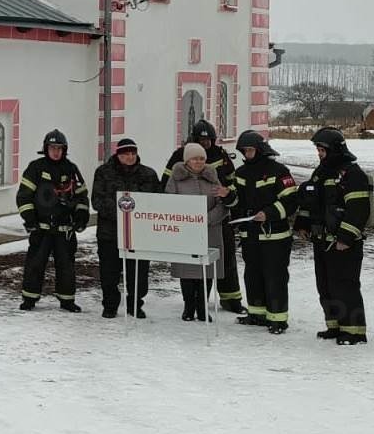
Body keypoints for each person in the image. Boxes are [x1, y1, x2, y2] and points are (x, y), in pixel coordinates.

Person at [293, 127, 372, 345]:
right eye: (318, 150)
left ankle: (354, 331)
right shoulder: (320, 173)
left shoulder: (352, 174)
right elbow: (310, 202)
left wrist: (345, 238)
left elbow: (358, 210)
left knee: (345, 286)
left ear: (335, 150)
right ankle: (335, 326)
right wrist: (302, 222)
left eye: (322, 150)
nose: (319, 154)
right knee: (326, 286)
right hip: (322, 241)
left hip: (343, 244)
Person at [163, 118, 243, 314]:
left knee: (224, 261)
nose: (206, 145)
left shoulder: (221, 155)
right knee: (189, 264)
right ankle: (192, 305)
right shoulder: (178, 156)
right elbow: (166, 187)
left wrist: (228, 201)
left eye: (209, 141)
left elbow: (233, 184)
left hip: (217, 220)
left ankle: (231, 299)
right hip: (187, 225)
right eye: (202, 140)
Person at [15, 129, 91, 312]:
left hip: (64, 229)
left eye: (59, 148)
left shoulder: (71, 169)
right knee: (35, 264)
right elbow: (23, 196)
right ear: (45, 148)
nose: (56, 151)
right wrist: (30, 219)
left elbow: (82, 197)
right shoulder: (36, 168)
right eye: (52, 147)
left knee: (66, 266)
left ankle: (67, 300)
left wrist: (81, 217)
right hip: (41, 228)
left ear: (64, 150)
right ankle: (29, 299)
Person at [232, 129, 298, 334]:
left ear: (260, 149)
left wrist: (268, 214)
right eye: (244, 151)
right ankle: (257, 314)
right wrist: (228, 197)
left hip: (274, 236)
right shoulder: (241, 173)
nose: (246, 154)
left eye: (250, 150)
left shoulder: (278, 170)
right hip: (250, 234)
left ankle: (277, 319)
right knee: (252, 275)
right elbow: (237, 201)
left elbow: (291, 201)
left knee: (274, 277)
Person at [91, 137, 161, 318]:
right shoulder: (103, 172)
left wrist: (138, 215)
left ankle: (135, 304)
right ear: (118, 155)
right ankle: (110, 305)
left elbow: (157, 200)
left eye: (133, 153)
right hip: (110, 233)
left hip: (139, 233)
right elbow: (97, 200)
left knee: (138, 272)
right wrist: (122, 214)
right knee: (109, 272)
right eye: (126, 154)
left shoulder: (148, 175)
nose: (130, 157)